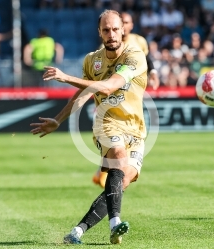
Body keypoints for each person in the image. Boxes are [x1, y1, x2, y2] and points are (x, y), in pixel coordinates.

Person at [30, 9, 147, 244]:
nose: (111, 34)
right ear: (99, 33)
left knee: (120, 182)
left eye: (115, 29)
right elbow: (84, 94)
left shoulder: (135, 55)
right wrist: (59, 119)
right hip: (107, 124)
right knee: (119, 156)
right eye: (106, 30)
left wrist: (66, 77)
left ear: (123, 30)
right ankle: (115, 225)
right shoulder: (92, 60)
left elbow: (107, 87)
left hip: (136, 129)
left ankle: (77, 231)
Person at [91, 11, 159, 188]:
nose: (126, 26)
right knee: (116, 142)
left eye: (127, 23)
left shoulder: (139, 42)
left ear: (128, 26)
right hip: (114, 94)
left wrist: (153, 73)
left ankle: (109, 175)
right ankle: (105, 173)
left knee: (127, 134)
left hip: (132, 93)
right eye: (107, 29)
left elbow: (148, 59)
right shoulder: (109, 44)